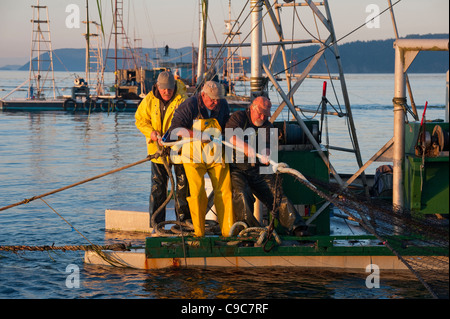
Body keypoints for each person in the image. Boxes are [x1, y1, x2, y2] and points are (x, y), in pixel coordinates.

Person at [225, 96, 309, 236]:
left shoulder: (267, 125)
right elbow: (230, 136)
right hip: (237, 168)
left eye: (266, 114)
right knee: (241, 193)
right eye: (260, 113)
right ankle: (249, 230)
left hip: (258, 169)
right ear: (252, 108)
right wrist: (247, 148)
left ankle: (296, 226)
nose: (262, 116)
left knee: (277, 194)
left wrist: (266, 154)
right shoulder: (238, 117)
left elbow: (269, 146)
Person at [166, 81, 234, 237]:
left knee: (225, 192)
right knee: (197, 193)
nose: (216, 103)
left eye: (218, 99)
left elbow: (226, 125)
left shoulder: (222, 104)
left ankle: (228, 233)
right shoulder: (189, 105)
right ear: (203, 95)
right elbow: (175, 130)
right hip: (193, 155)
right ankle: (199, 233)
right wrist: (197, 135)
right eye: (212, 99)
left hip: (216, 154)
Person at [135, 71, 190, 227]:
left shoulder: (182, 99)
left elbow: (187, 123)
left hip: (179, 150)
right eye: (164, 89)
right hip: (158, 150)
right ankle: (156, 225)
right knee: (157, 187)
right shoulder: (149, 100)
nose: (167, 92)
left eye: (170, 89)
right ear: (158, 87)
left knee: (182, 186)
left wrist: (175, 139)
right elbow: (140, 120)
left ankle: (183, 224)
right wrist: (151, 133)